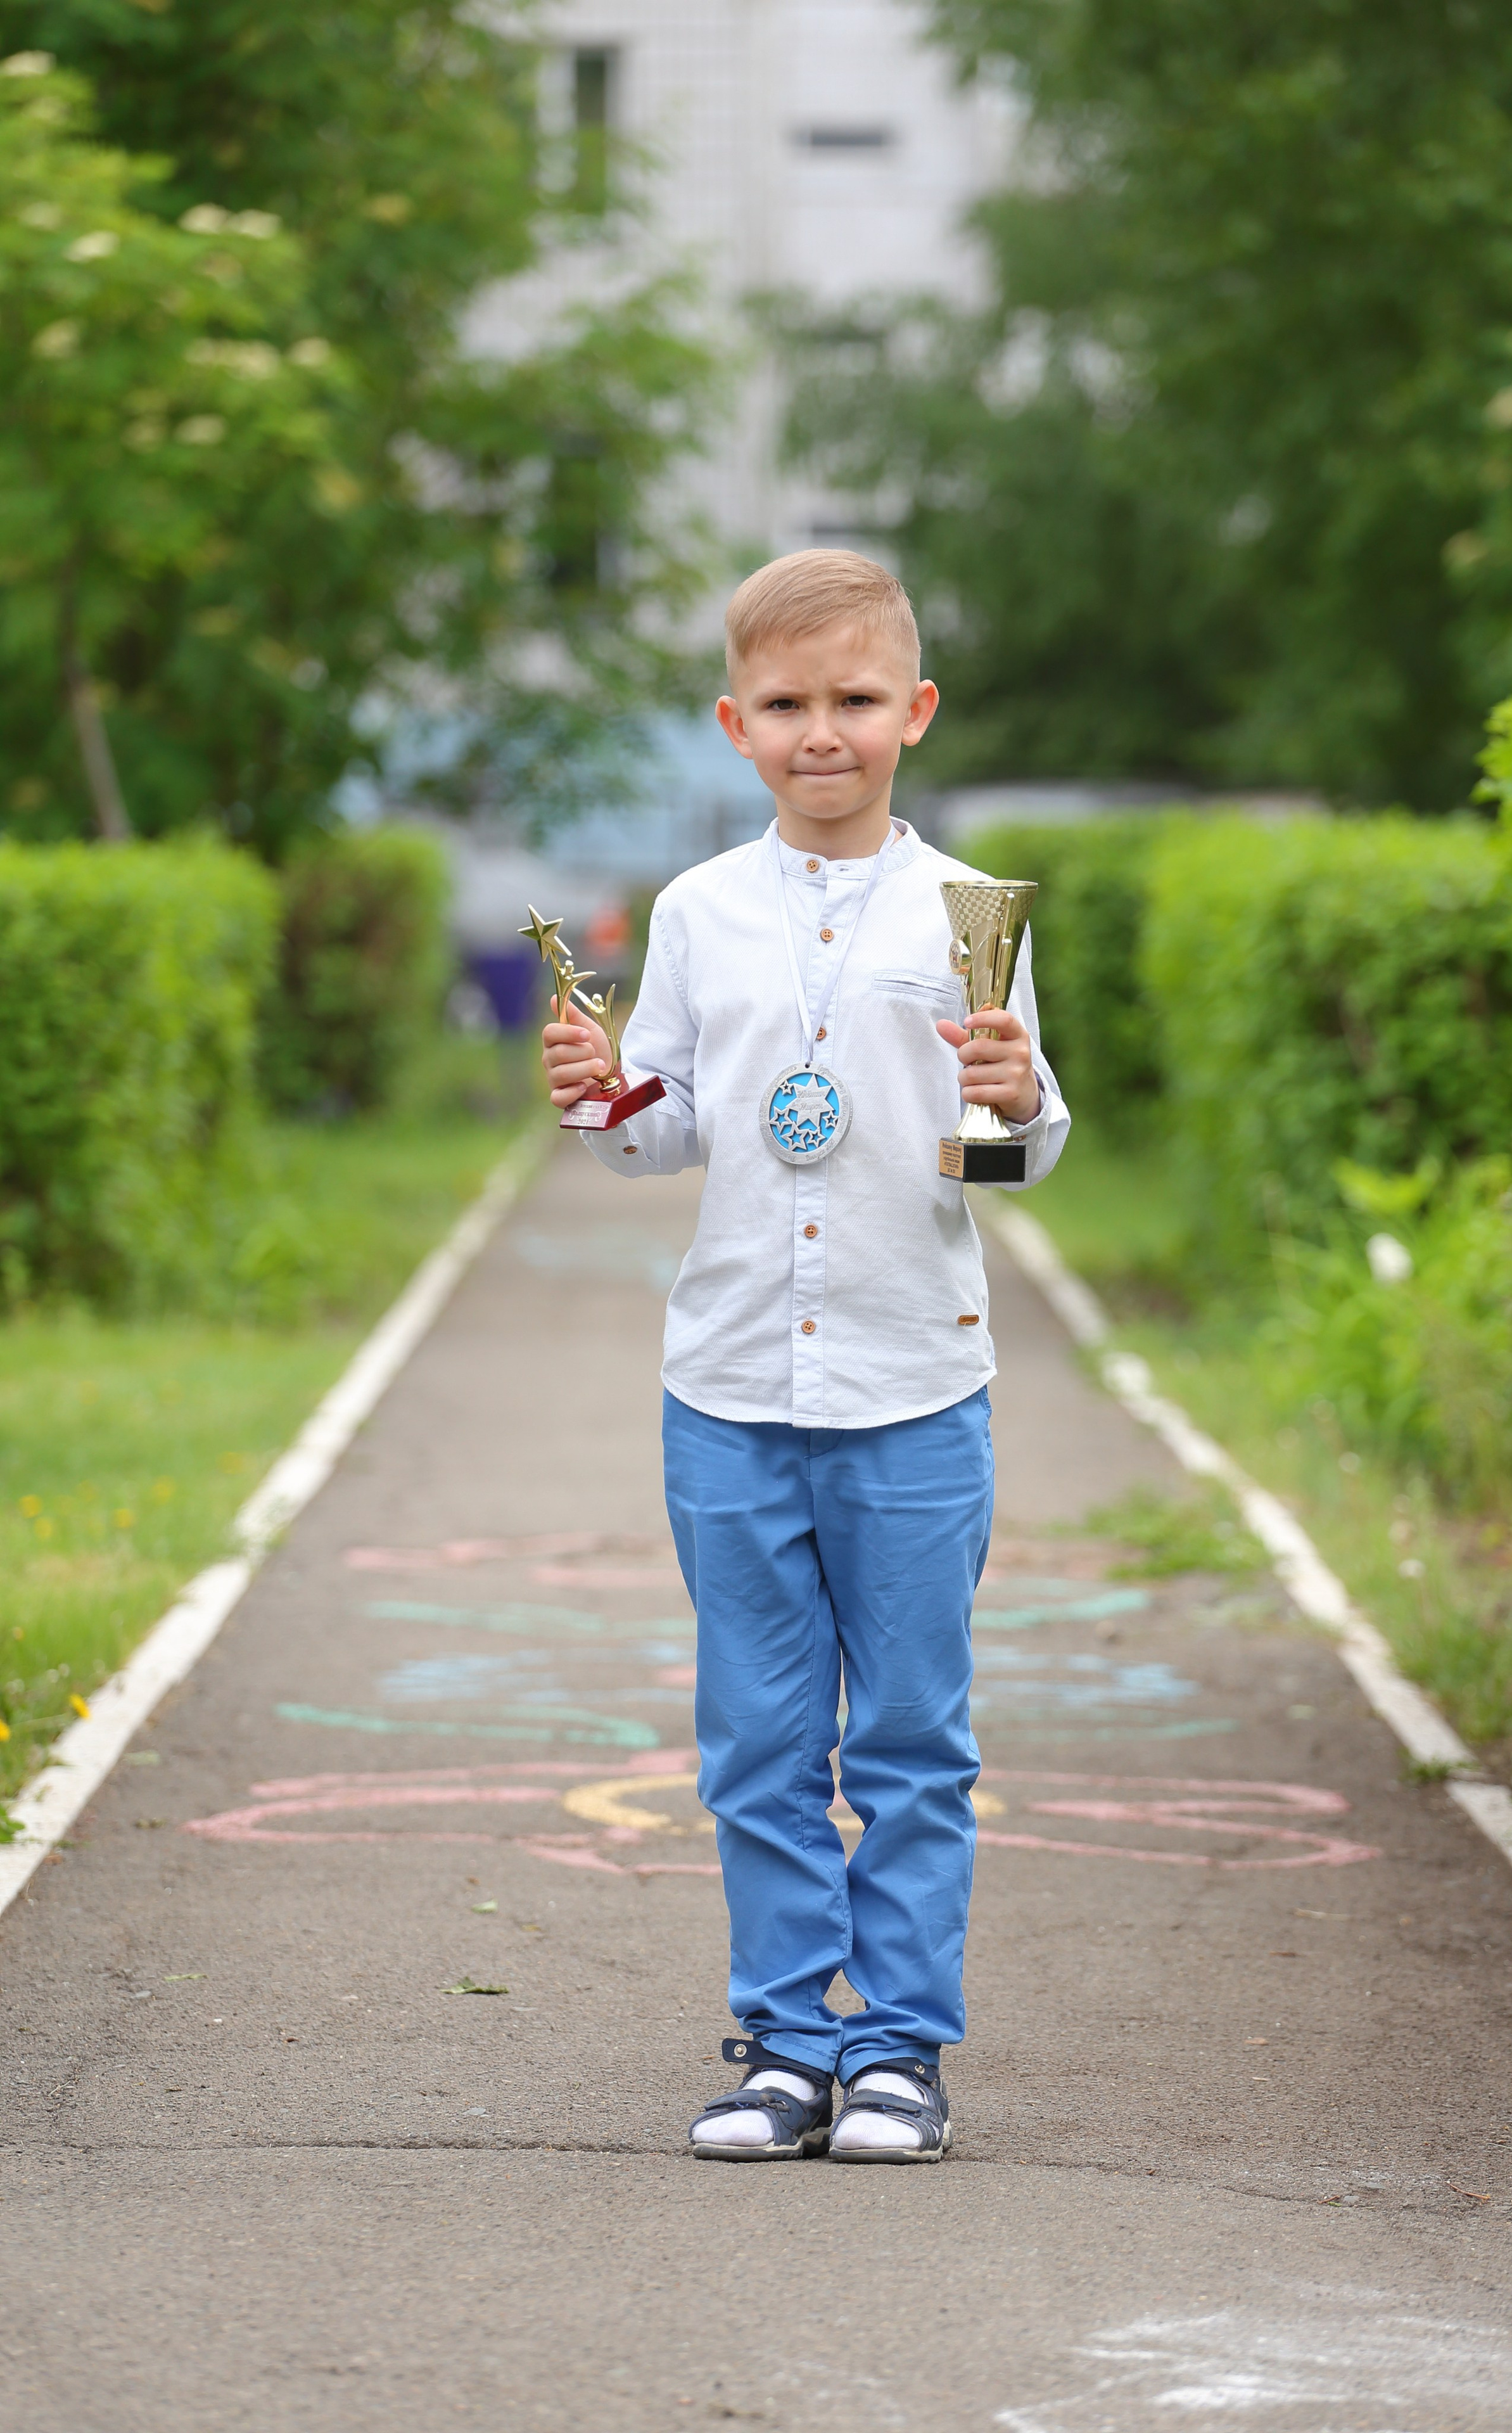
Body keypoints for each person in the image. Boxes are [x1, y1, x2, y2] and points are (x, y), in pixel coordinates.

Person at [541, 549, 1069, 2162]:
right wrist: (599, 1093)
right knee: (759, 1742)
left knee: (910, 1739)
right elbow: (664, 1129)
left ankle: (896, 2050)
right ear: (734, 723)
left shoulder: (968, 913)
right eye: (783, 704)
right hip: (729, 1387)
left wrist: (1014, 1093)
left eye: (854, 699)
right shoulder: (700, 912)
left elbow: (1009, 1150)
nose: (819, 731)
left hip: (914, 1384)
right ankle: (784, 2044)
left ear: (914, 711)